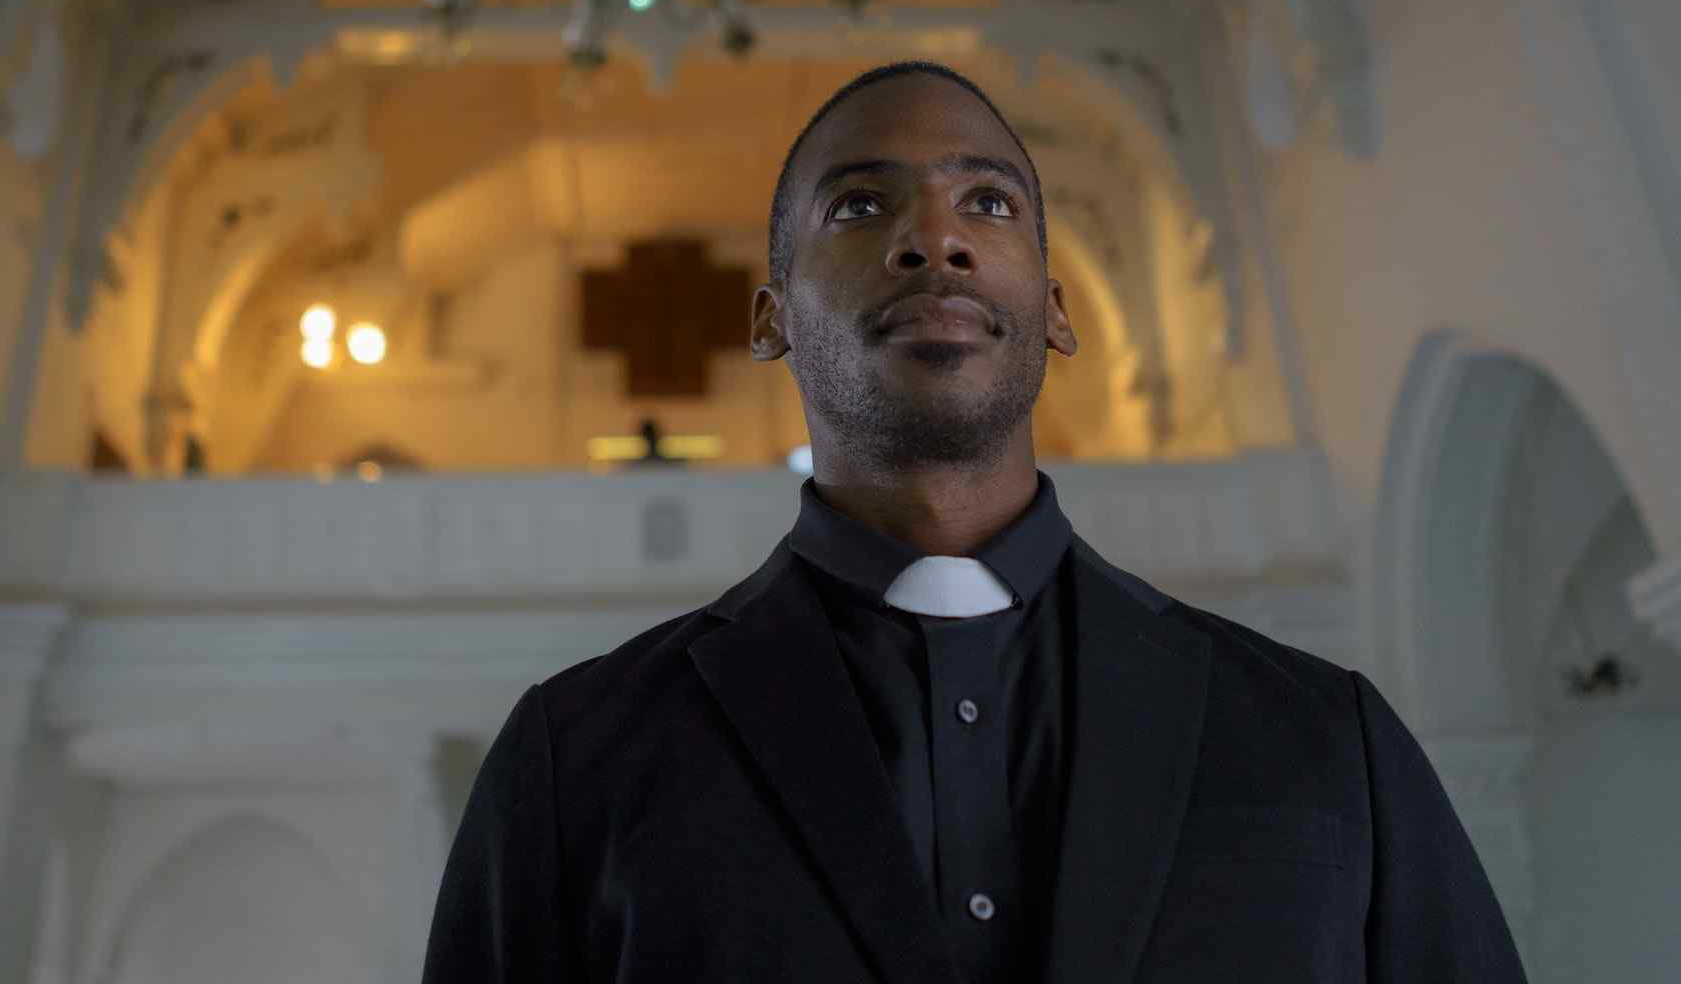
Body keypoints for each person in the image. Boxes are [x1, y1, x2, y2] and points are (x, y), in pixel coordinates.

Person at [423, 60, 1528, 982]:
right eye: (860, 205)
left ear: (1054, 306)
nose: (933, 240)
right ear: (770, 317)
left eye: (987, 204)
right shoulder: (577, 759)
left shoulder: (1326, 736)